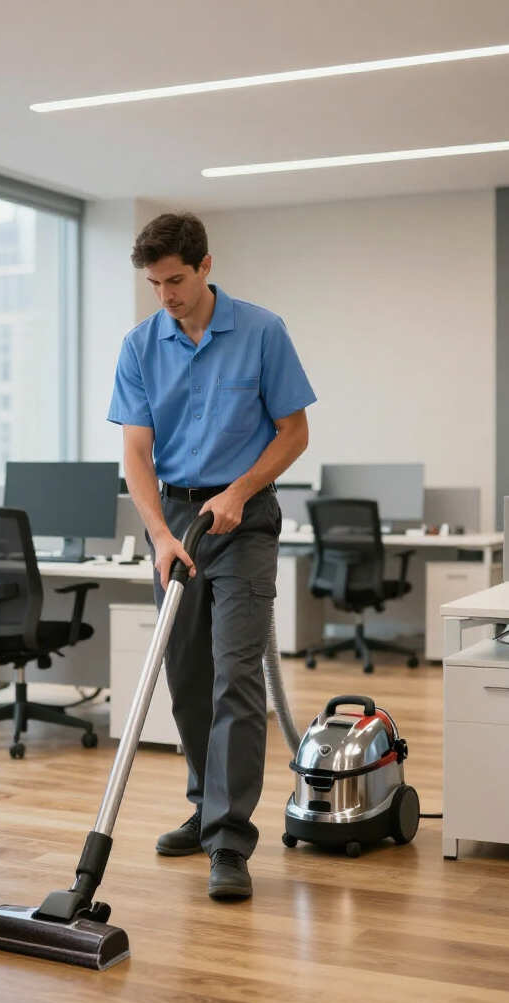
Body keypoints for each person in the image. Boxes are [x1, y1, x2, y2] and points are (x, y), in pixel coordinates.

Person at [107, 212, 316, 900]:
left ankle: (228, 840)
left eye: (175, 280)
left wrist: (241, 489)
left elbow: (294, 432)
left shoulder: (262, 331)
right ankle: (205, 807)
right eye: (154, 284)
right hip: (173, 521)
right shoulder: (141, 346)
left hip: (245, 522)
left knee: (236, 676)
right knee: (187, 675)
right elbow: (136, 454)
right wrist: (160, 534)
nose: (165, 295)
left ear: (204, 266)